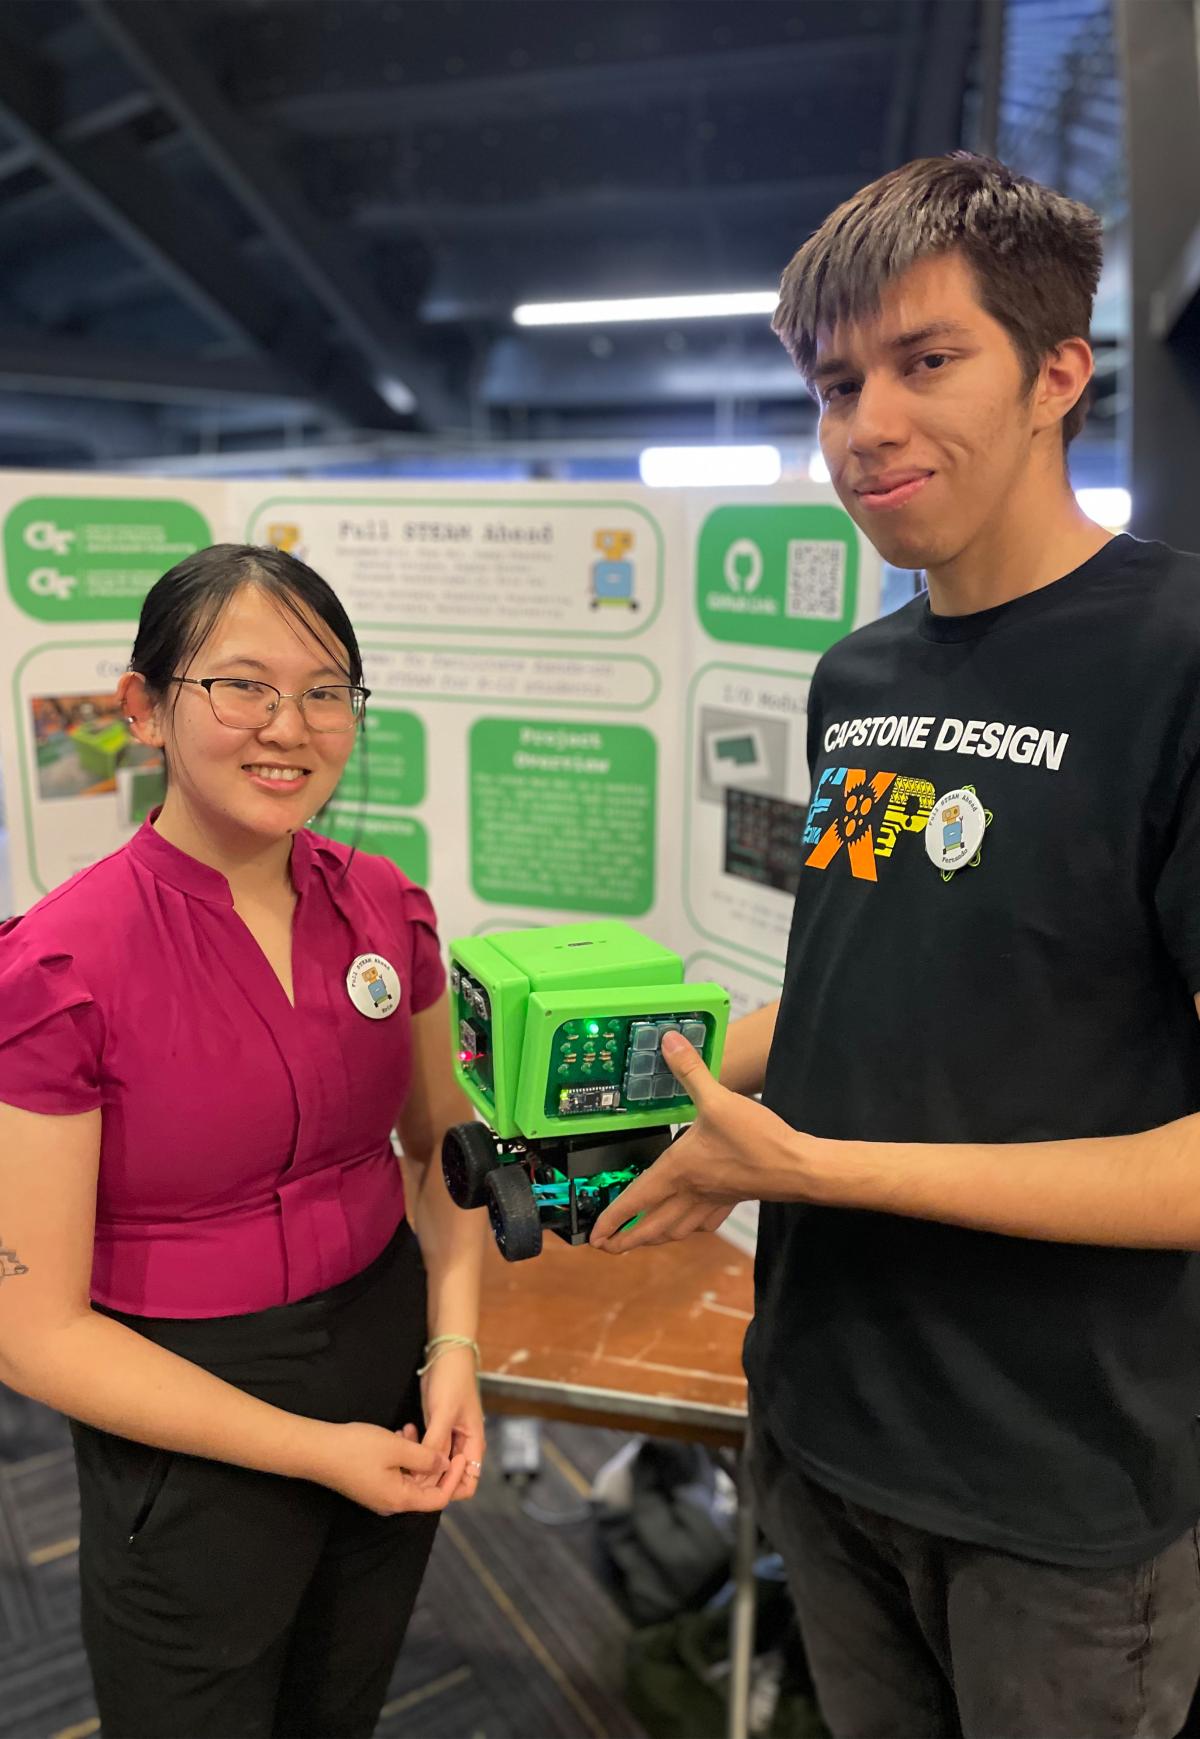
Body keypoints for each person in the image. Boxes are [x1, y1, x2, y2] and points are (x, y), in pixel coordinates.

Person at [591, 154, 1200, 1738]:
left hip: (1058, 1483)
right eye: (837, 379)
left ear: (1059, 371)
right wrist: (604, 1057)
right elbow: (878, 994)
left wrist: (811, 1167)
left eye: (928, 361)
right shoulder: (860, 673)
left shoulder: (1177, 660)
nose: (866, 423)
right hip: (826, 1415)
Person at [0, 544, 486, 1738]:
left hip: (389, 1359)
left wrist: (458, 1339)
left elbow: (443, 1153)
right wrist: (312, 1448)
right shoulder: (61, 966)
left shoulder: (384, 902)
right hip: (186, 1407)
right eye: (242, 686)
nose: (291, 726)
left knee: (344, 1695)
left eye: (326, 690)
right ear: (144, 708)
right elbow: (33, 1328)